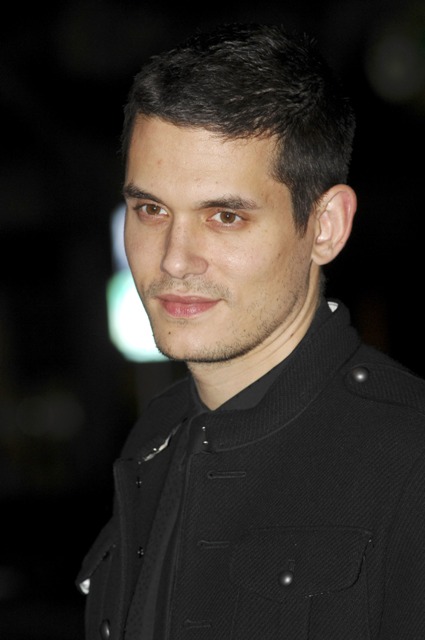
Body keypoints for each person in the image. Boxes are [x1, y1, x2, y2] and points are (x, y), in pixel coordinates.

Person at [76, 22, 425, 640]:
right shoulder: (153, 437)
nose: (174, 260)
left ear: (325, 227)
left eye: (225, 216)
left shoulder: (408, 458)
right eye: (151, 210)